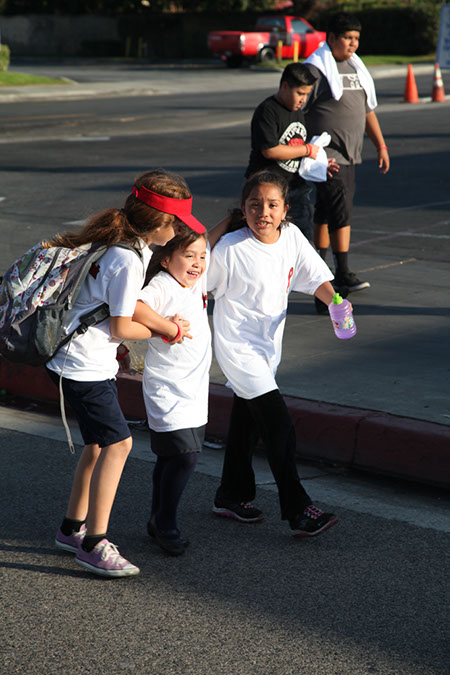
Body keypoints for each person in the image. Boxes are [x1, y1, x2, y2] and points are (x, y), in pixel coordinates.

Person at [48, 169, 205, 578]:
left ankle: (70, 529)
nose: (177, 231)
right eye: (174, 222)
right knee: (119, 444)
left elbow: (130, 308)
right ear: (157, 221)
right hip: (81, 365)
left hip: (76, 361)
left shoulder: (121, 246)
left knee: (97, 445)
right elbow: (122, 327)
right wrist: (169, 330)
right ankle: (95, 543)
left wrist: (161, 324)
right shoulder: (128, 259)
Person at [208, 170, 339, 538]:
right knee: (278, 426)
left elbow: (317, 279)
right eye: (254, 205)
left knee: (246, 422)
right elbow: (194, 279)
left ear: (285, 210)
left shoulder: (292, 238)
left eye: (272, 205)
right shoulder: (230, 247)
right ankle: (298, 510)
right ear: (243, 209)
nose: (262, 212)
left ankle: (230, 495)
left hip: (268, 349)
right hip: (238, 349)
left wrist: (337, 305)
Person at [132, 226, 210, 557]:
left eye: (202, 256)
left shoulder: (194, 281)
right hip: (168, 386)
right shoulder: (163, 285)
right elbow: (135, 306)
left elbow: (210, 239)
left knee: (170, 456)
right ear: (165, 260)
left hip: (194, 386)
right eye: (188, 256)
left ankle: (156, 519)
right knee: (185, 457)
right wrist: (169, 327)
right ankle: (165, 523)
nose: (197, 263)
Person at [304, 11, 390, 304]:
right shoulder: (316, 69)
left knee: (326, 212)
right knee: (340, 211)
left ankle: (320, 278)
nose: (353, 44)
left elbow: (367, 111)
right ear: (332, 38)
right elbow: (299, 106)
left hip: (352, 153)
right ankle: (341, 273)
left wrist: (380, 145)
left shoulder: (355, 68)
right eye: (348, 38)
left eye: (356, 39)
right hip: (329, 155)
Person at [245, 62, 335, 242]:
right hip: (268, 192)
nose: (303, 99)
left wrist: (319, 162)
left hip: (295, 188)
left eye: (307, 94)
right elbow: (270, 150)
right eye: (300, 93)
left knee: (302, 240)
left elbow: (296, 148)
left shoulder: (298, 112)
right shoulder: (268, 111)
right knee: (267, 239)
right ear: (285, 86)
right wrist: (307, 149)